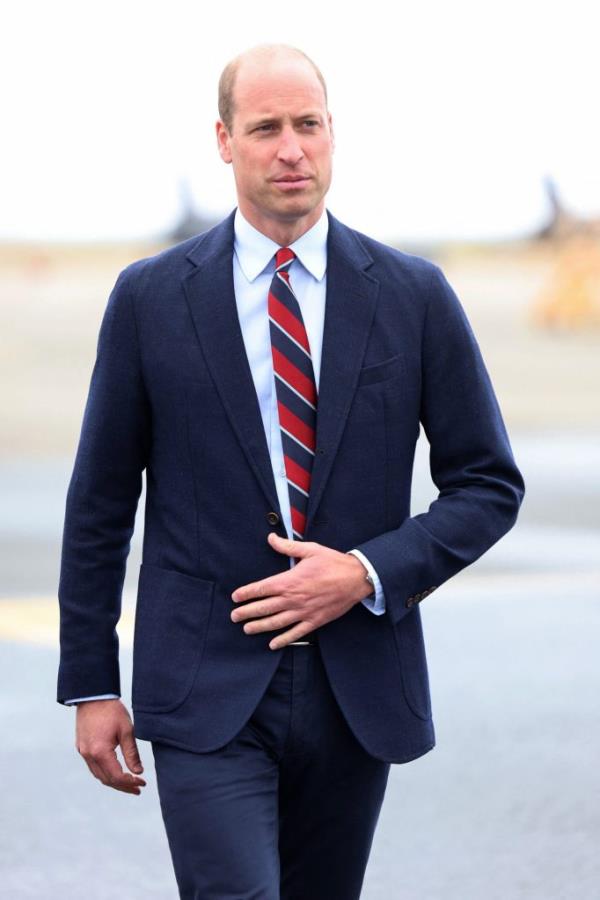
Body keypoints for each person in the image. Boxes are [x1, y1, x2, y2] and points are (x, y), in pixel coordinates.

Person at [57, 43, 525, 899]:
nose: (291, 149)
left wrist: (364, 572)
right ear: (225, 141)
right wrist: (91, 681)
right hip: (203, 688)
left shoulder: (413, 295)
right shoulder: (151, 298)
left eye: (307, 125)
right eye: (265, 127)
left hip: (357, 689)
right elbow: (98, 506)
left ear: (332, 134)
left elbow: (489, 485)